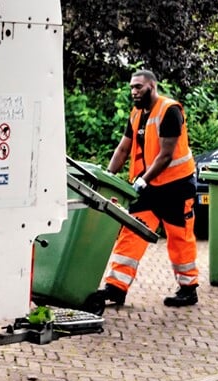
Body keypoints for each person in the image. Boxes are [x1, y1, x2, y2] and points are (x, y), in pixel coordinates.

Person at [83, 69, 200, 310]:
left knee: (179, 237)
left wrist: (142, 180)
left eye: (138, 87)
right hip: (149, 187)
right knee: (130, 232)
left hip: (176, 186)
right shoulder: (137, 114)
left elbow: (166, 155)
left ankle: (188, 289)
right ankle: (116, 288)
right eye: (132, 88)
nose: (134, 92)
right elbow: (123, 149)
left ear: (152, 87)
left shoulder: (170, 111)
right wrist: (107, 178)